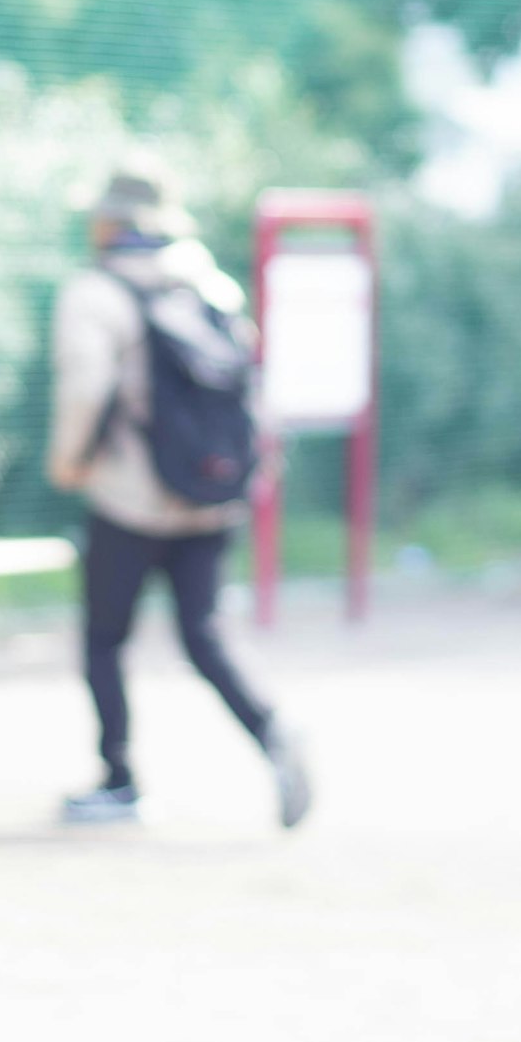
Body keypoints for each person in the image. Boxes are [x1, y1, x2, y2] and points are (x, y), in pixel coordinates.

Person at [44, 169, 311, 829]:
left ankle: (118, 779)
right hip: (212, 494)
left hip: (130, 498)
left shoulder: (93, 292)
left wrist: (70, 463)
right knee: (206, 634)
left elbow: (85, 389)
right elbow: (250, 384)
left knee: (105, 638)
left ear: (108, 222)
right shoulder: (210, 283)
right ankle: (273, 732)